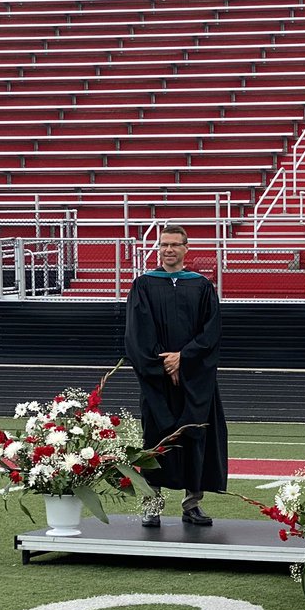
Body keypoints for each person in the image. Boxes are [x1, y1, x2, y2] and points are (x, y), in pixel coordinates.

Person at [124, 224, 228, 527]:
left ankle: (192, 504)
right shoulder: (143, 285)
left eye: (174, 244)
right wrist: (163, 364)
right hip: (158, 382)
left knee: (196, 437)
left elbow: (212, 333)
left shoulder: (201, 286)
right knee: (155, 440)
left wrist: (184, 358)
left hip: (195, 379)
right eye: (164, 244)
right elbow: (137, 335)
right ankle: (152, 505)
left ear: (186, 247)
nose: (168, 250)